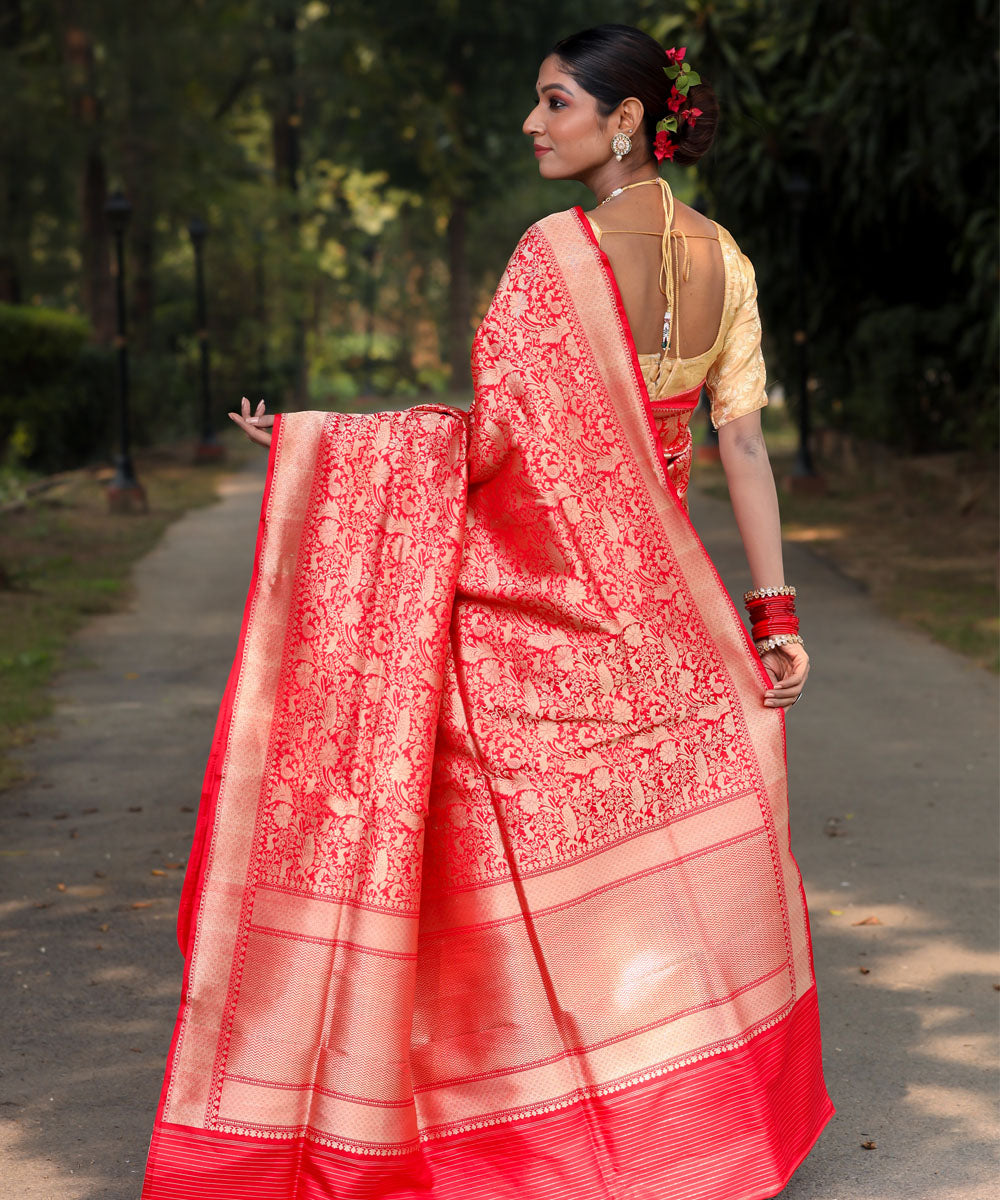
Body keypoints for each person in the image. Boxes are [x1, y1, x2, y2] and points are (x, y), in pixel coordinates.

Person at [143, 24, 834, 1200]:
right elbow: (742, 445)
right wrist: (773, 620)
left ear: (624, 120)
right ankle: (693, 1139)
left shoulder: (549, 255)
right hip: (667, 622)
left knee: (469, 850)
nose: (532, 123)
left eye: (555, 102)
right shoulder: (726, 256)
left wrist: (325, 445)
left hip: (545, 617)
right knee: (667, 881)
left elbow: (495, 444)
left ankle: (512, 1138)